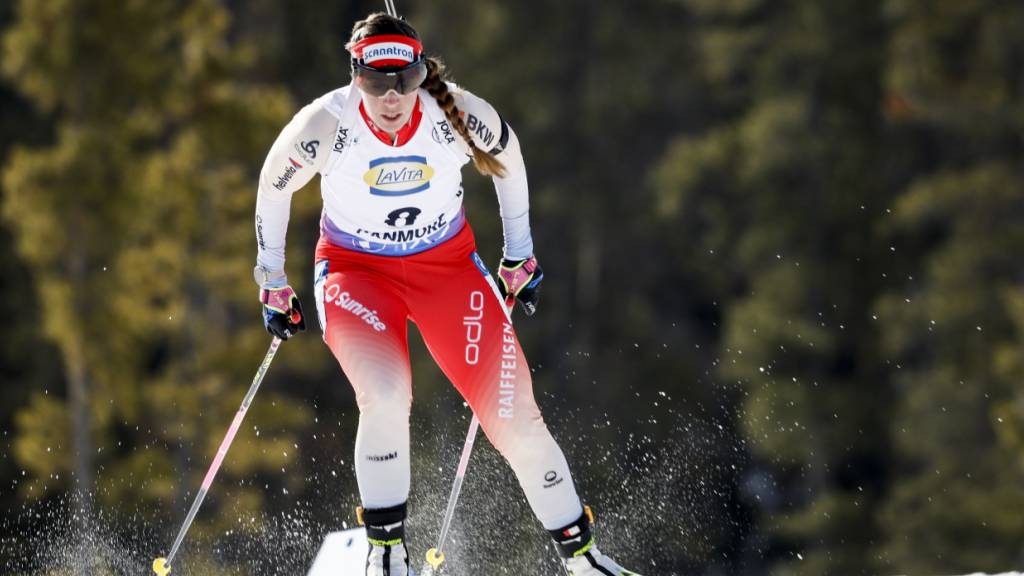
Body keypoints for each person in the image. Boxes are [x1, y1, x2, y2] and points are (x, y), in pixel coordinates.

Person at [252, 12, 641, 576]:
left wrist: (518, 253)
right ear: (354, 74)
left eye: (404, 82)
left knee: (515, 417)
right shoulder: (325, 124)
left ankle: (584, 561)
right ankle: (385, 554)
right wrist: (273, 282)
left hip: (448, 270)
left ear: (420, 73)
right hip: (356, 273)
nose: (391, 98)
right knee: (385, 396)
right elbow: (273, 187)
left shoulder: (454, 113)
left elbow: (509, 161)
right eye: (375, 82)